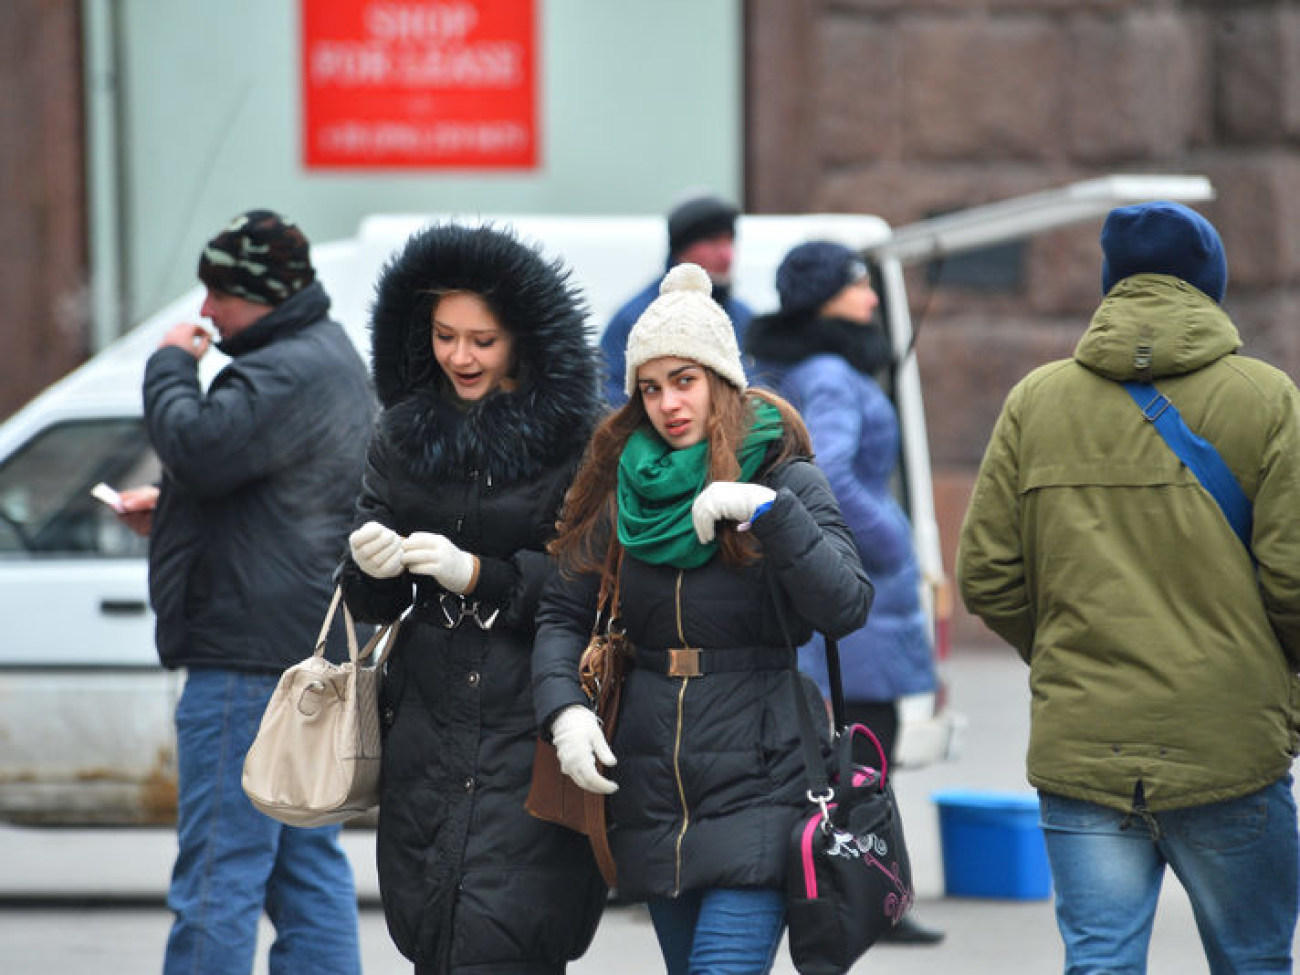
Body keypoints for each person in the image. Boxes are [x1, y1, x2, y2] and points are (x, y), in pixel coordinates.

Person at [956, 201, 1300, 974]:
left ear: (1111, 286)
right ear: (1209, 285)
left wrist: (1063, 651)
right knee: (1253, 959)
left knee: (1100, 961)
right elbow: (1293, 579)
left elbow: (986, 571)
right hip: (1229, 741)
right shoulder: (1268, 398)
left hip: (1086, 741)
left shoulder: (1035, 401)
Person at [534, 262, 873, 975]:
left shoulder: (785, 474)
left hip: (765, 773)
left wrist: (768, 516)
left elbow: (844, 603)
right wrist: (564, 711)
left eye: (683, 380)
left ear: (720, 379)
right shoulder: (622, 486)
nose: (667, 403)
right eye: (650, 387)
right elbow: (562, 612)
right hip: (653, 785)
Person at [336, 223, 608, 974]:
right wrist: (369, 563)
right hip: (426, 718)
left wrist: (479, 574)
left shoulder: (575, 439)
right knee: (433, 932)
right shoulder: (402, 431)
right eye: (445, 335)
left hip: (532, 715)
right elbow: (370, 597)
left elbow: (591, 580)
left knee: (508, 937)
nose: (460, 356)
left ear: (521, 339)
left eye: (482, 340)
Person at [115, 209, 375, 975]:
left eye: (216, 292)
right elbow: (282, 491)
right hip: (297, 653)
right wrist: (174, 511)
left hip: (246, 660)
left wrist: (168, 364)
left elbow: (195, 445)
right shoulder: (323, 356)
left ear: (259, 294)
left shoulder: (283, 368)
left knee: (218, 873)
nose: (203, 311)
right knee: (304, 869)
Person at [746, 239, 944, 946]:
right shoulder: (832, 370)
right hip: (861, 586)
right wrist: (892, 537)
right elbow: (827, 470)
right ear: (828, 295)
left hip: (846, 582)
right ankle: (864, 891)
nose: (870, 294)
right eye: (859, 283)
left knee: (851, 751)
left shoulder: (805, 364)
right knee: (862, 752)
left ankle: (865, 889)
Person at [599, 191, 753, 406]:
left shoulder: (743, 316)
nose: (726, 255)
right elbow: (609, 400)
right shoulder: (637, 319)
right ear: (682, 250)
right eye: (713, 243)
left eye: (729, 242)